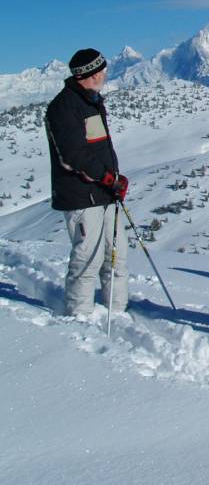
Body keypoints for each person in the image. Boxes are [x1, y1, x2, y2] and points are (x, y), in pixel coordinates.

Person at [45, 49, 129, 318]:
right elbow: (72, 156)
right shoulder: (64, 107)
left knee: (116, 255)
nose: (105, 75)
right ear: (90, 74)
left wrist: (114, 178)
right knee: (87, 258)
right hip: (82, 196)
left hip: (105, 192)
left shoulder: (92, 101)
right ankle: (79, 317)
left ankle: (117, 312)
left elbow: (98, 148)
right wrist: (107, 177)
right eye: (102, 71)